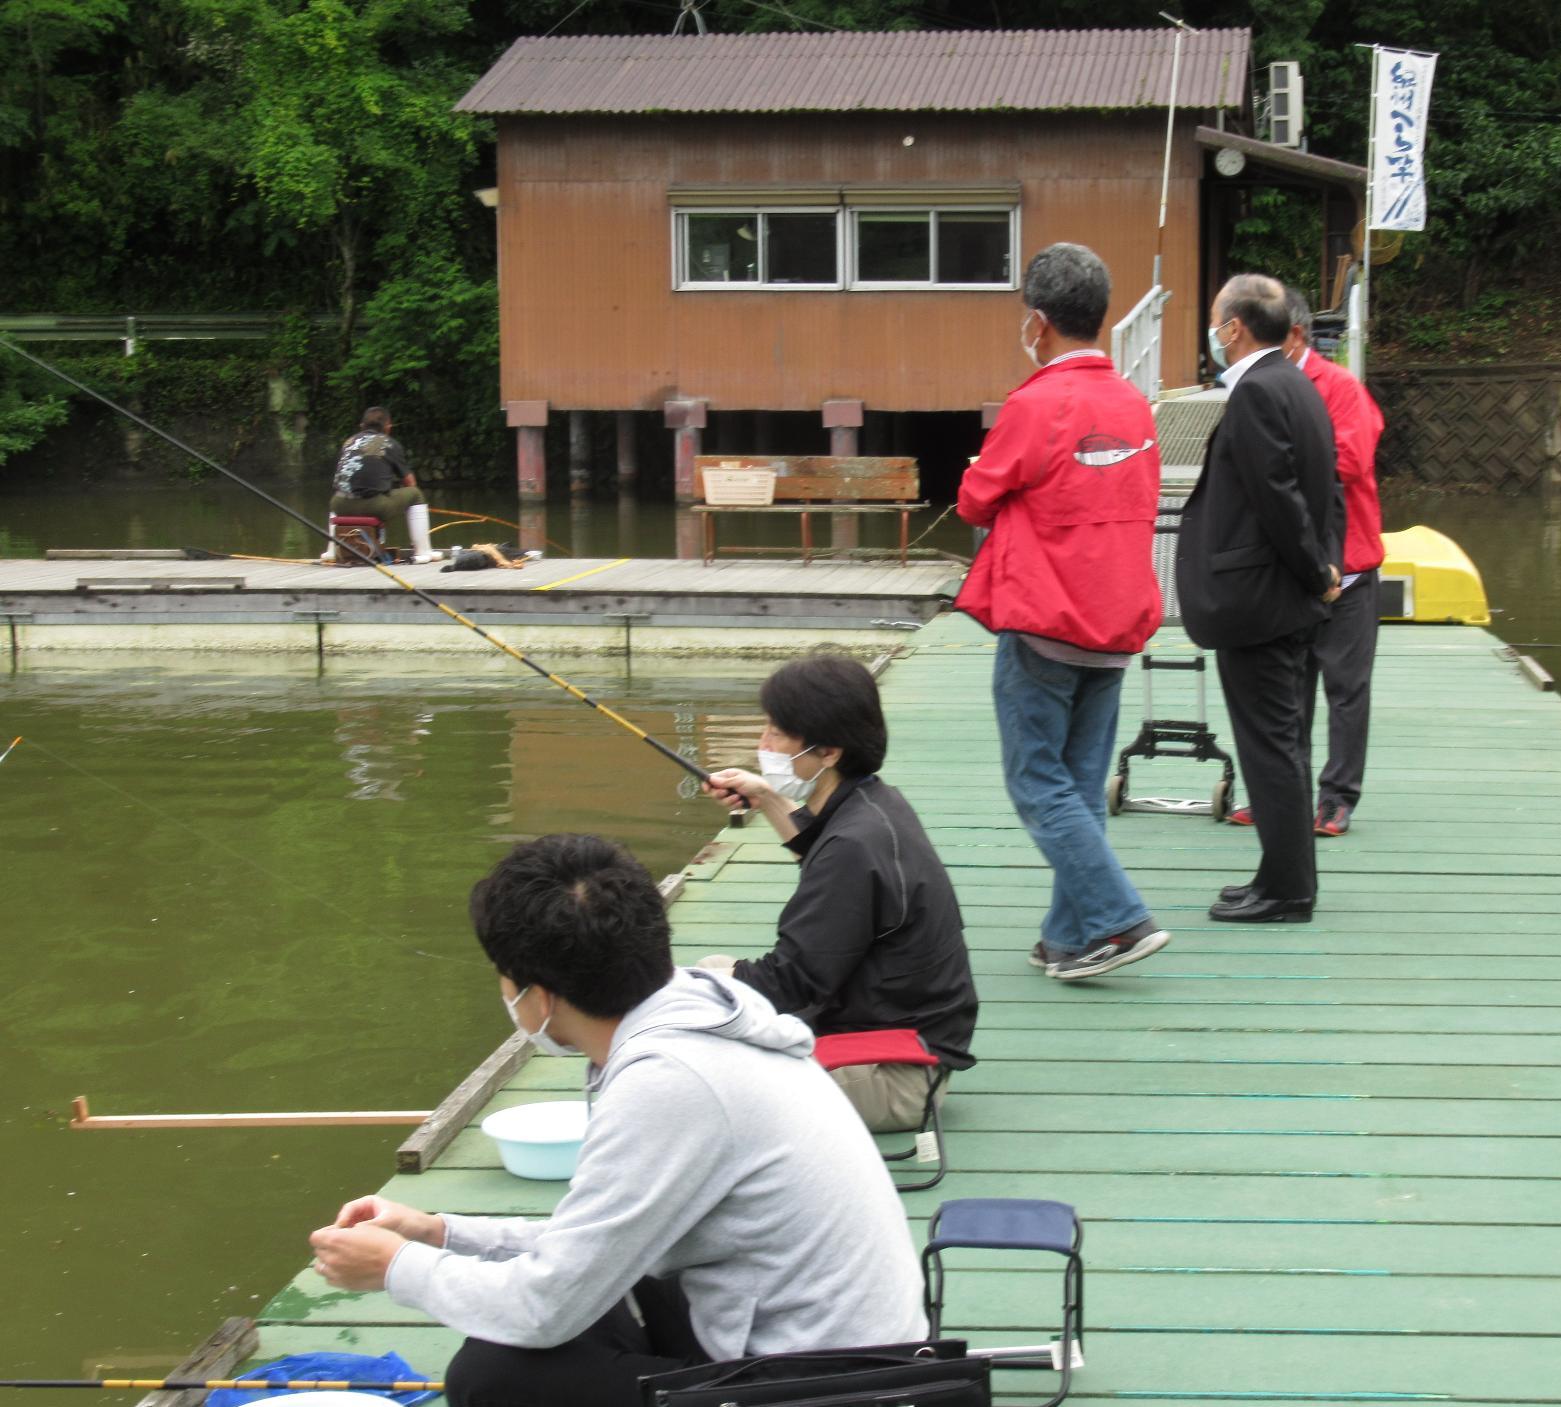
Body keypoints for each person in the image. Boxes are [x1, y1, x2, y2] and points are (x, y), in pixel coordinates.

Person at [309, 833, 927, 1407]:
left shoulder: (672, 1082)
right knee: (535, 1328)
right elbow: (586, 1249)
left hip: (831, 1387)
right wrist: (439, 1232)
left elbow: (543, 1307)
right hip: (823, 1340)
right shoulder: (695, 1013)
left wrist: (394, 1266)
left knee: (493, 1377)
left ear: (538, 996)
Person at [953, 242, 1168, 982]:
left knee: (1035, 782)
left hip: (1046, 621)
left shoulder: (1035, 403)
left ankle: (1118, 917)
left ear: (1037, 323)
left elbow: (975, 497)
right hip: (1115, 623)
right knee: (1077, 785)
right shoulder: (1133, 403)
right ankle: (1068, 939)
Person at [699, 655, 977, 1131]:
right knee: (711, 980)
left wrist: (690, 985)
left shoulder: (853, 845)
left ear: (829, 751)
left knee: (699, 1068)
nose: (761, 744)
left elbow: (791, 983)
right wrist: (765, 796)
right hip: (900, 1038)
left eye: (776, 734)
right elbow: (817, 849)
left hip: (894, 1075)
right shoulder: (873, 804)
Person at [1176, 273, 1344, 923]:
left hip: (1261, 600)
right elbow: (1326, 491)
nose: (1213, 332)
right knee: (1282, 742)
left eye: (1217, 320)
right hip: (1287, 597)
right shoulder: (1299, 384)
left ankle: (1287, 890)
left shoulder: (1255, 393)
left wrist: (1313, 569)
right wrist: (1325, 565)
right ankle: (1277, 873)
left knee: (1269, 745)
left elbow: (1279, 499)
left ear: (1234, 328)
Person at [1227, 289, 1385, 837]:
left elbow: (1350, 459)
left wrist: (1278, 467)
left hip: (1350, 564)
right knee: (1286, 691)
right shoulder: (1259, 387)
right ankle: (1280, 795)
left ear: (1293, 334)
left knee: (1344, 688)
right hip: (1292, 570)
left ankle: (1338, 797)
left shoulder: (1340, 387)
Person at [324, 405, 434, 563]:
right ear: (388, 427)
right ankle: (423, 552)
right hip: (374, 506)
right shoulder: (389, 443)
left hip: (339, 505)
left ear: (362, 426)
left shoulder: (348, 442)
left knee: (339, 494)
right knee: (415, 495)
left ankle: (331, 551)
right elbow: (410, 483)